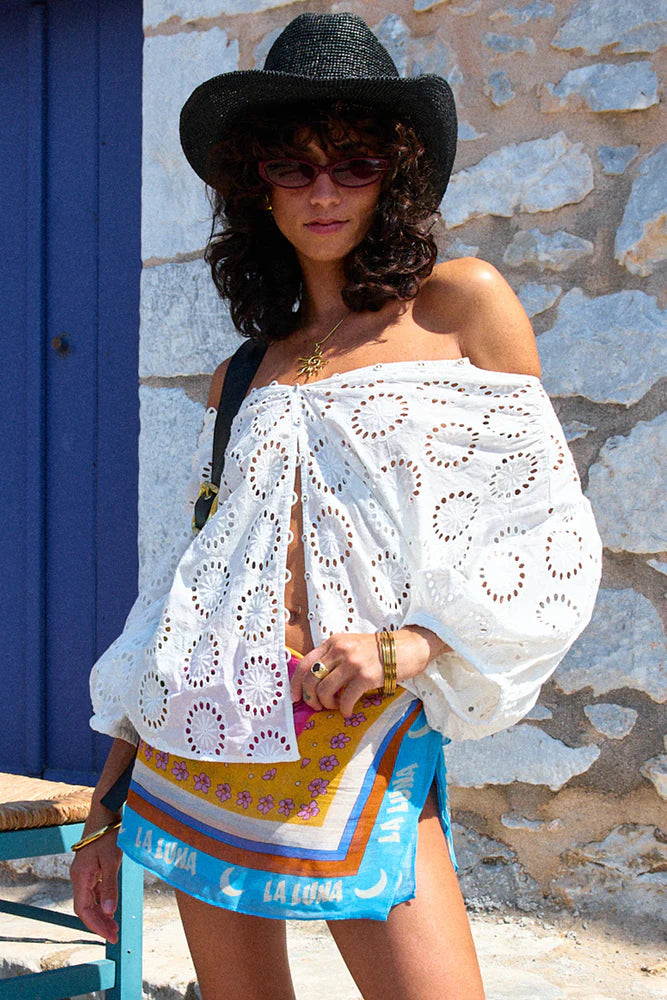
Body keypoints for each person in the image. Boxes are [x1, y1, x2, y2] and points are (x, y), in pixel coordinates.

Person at [70, 13, 601, 1000]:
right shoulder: (242, 374)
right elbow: (181, 598)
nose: (322, 190)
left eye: (353, 163)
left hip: (362, 737)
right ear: (253, 183)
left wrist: (412, 647)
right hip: (204, 742)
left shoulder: (459, 306)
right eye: (292, 164)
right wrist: (105, 815)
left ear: (392, 177)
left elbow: (543, 535)